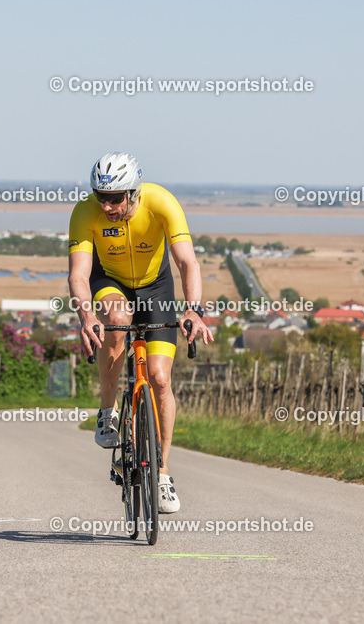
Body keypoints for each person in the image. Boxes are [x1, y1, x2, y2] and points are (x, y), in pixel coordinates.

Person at [67, 152, 214, 513]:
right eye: (101, 197)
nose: (107, 206)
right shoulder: (85, 212)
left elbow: (187, 262)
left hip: (155, 287)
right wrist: (87, 317)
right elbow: (79, 275)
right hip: (110, 280)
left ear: (134, 193)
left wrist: (193, 308)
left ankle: (162, 474)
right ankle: (108, 411)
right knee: (116, 318)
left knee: (161, 380)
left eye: (115, 198)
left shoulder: (161, 202)